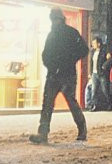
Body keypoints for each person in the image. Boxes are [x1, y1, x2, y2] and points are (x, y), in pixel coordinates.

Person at [30, 8, 88, 144]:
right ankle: (44, 133)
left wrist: (56, 64)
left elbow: (46, 54)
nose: (53, 21)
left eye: (54, 18)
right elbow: (46, 54)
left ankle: (44, 133)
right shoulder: (66, 33)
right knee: (54, 103)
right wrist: (67, 61)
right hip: (61, 73)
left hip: (61, 74)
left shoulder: (62, 33)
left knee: (55, 103)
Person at [87, 36, 110, 111]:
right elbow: (91, 62)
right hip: (94, 73)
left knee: (105, 90)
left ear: (99, 44)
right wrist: (90, 72)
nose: (93, 45)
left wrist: (104, 66)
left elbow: (109, 59)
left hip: (101, 73)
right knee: (94, 90)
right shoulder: (93, 52)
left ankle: (110, 104)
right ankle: (94, 105)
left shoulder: (104, 51)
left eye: (94, 43)